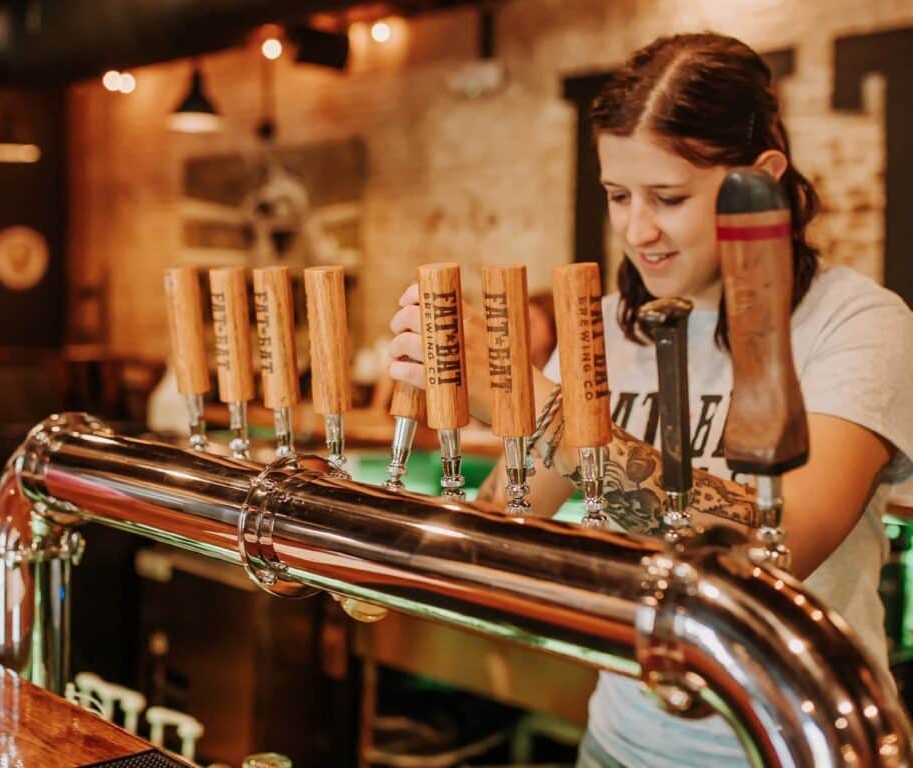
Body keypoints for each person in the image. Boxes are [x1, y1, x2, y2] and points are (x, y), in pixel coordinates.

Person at [388, 32, 913, 767]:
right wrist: (463, 397)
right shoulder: (601, 324)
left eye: (668, 197)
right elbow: (514, 514)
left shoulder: (857, 323)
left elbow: (781, 545)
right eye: (618, 195)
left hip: (794, 744)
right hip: (619, 742)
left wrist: (537, 406)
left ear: (760, 179)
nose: (638, 230)